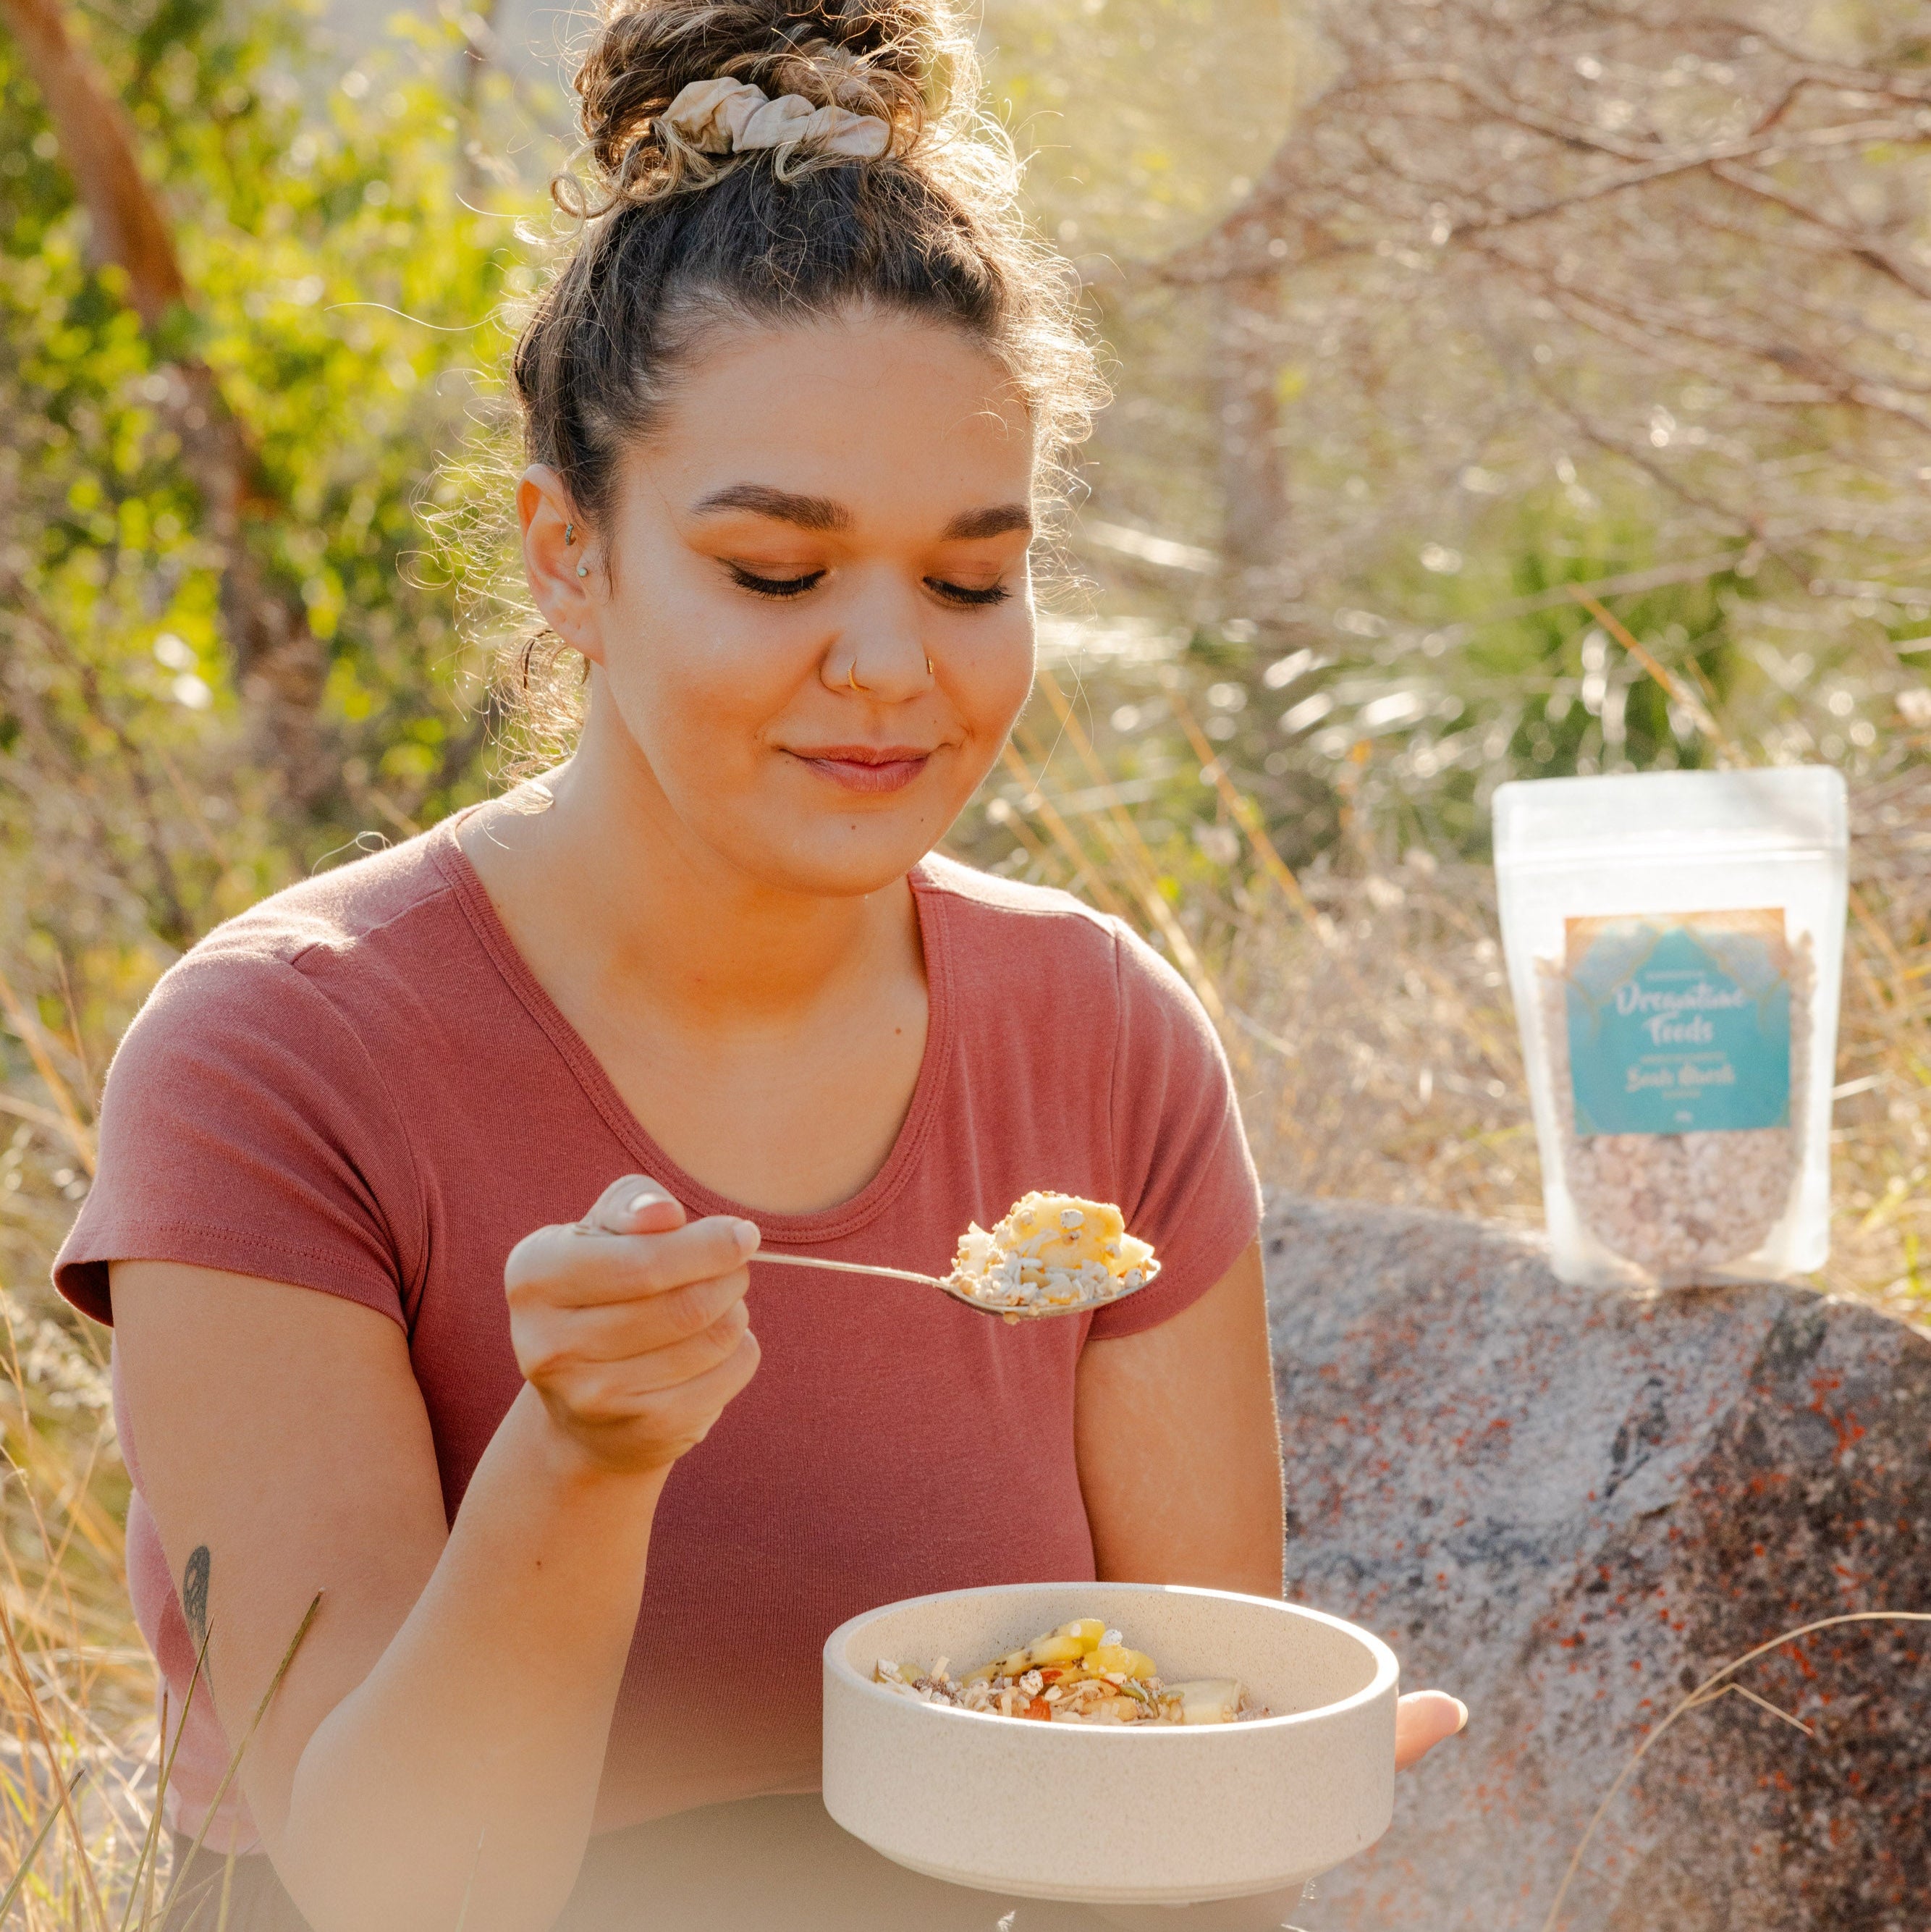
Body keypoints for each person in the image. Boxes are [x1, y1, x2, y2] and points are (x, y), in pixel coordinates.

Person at [55, 3, 1466, 1926]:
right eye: (779, 575)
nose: (895, 663)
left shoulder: (1095, 1038)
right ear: (569, 557)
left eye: (972, 578)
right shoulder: (278, 1058)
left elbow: (1166, 1762)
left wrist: (1253, 1793)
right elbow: (396, 1888)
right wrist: (577, 1454)